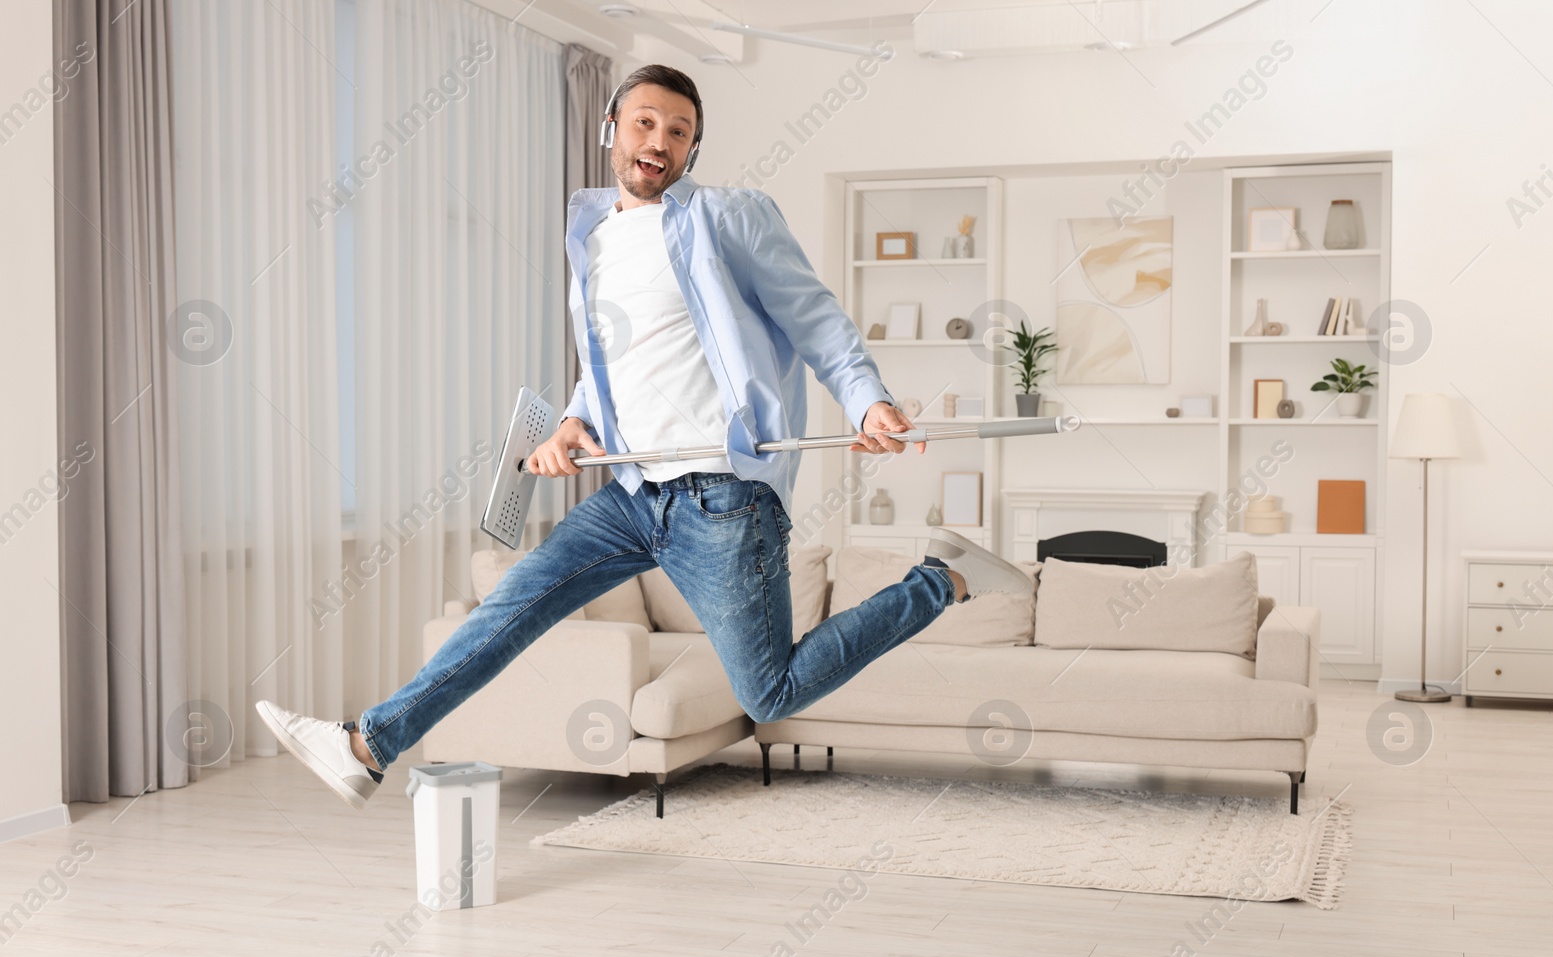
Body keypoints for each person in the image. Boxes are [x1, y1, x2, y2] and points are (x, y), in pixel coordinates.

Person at [256, 64, 1032, 809]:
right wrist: (572, 419)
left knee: (769, 691)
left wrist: (868, 401)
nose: (659, 140)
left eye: (679, 130)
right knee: (505, 611)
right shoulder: (589, 239)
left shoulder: (730, 218)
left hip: (723, 500)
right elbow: (618, 363)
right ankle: (367, 747)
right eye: (645, 122)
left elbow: (817, 319)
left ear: (695, 148)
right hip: (631, 495)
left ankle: (944, 580)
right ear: (611, 129)